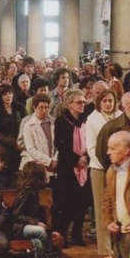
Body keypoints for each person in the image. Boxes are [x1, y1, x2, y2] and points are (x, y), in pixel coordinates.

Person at [10, 162, 72, 258]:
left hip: (31, 228)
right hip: (18, 228)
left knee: (39, 243)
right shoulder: (24, 193)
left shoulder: (34, 192)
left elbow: (38, 216)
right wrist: (36, 223)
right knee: (40, 231)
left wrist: (49, 231)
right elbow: (16, 215)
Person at [85, 89, 122, 258]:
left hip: (120, 167)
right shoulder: (92, 120)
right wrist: (106, 165)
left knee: (119, 208)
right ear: (99, 103)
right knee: (102, 208)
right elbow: (91, 148)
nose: (108, 104)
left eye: (111, 100)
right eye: (105, 101)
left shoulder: (121, 116)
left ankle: (119, 247)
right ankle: (106, 248)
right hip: (99, 168)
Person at [54, 88, 92, 246]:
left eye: (83, 102)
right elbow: (60, 145)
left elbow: (90, 141)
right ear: (69, 104)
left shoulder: (86, 120)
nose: (82, 105)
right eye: (78, 102)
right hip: (68, 168)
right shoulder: (61, 121)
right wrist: (77, 159)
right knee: (66, 204)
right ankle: (62, 235)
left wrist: (86, 158)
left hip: (85, 166)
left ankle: (77, 235)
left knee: (81, 204)